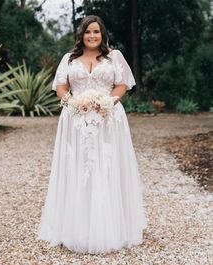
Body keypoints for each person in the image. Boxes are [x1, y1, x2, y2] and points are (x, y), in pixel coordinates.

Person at [37, 15, 147, 254]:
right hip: (75, 120)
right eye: (88, 32)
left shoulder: (113, 57)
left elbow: (122, 85)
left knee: (106, 166)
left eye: (96, 32)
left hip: (108, 119)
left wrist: (107, 101)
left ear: (102, 34)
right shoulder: (69, 58)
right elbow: (61, 87)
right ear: (81, 35)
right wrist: (73, 103)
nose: (92, 36)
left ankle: (112, 226)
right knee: (78, 167)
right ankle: (75, 227)